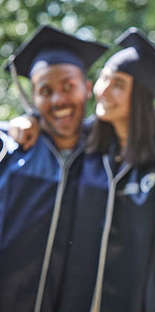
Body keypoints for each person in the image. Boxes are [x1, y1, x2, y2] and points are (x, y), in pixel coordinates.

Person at [56, 27, 155, 312]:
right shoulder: (84, 145)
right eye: (103, 77)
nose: (102, 90)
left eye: (117, 84)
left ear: (140, 97)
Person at [0, 25, 107, 311]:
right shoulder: (8, 150)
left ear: (87, 88)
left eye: (68, 86)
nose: (58, 100)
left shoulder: (108, 158)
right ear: (33, 99)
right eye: (45, 91)